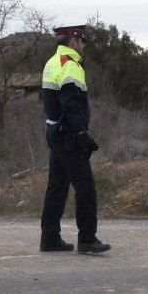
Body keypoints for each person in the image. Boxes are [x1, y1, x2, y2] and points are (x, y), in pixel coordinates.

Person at [39, 25, 109, 254]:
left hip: (55, 132)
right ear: (74, 41)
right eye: (83, 41)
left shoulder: (51, 62)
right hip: (69, 135)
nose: (84, 45)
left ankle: (50, 238)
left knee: (57, 187)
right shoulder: (71, 65)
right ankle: (87, 239)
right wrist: (81, 133)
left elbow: (52, 103)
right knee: (85, 188)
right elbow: (72, 103)